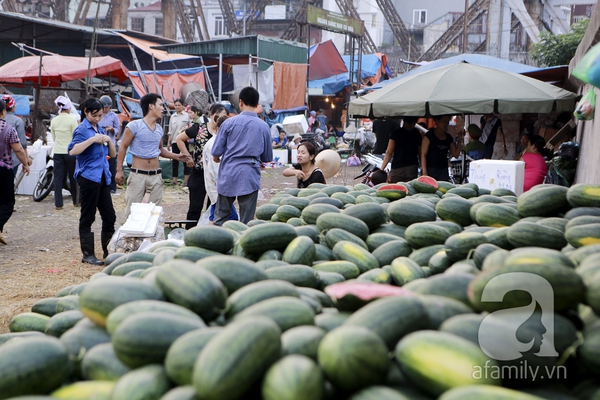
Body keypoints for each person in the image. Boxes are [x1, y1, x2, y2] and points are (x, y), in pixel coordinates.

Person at [115, 93, 190, 219]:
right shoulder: (134, 126)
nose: (162, 109)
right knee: (132, 213)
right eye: (160, 105)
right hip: (137, 175)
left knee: (155, 213)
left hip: (156, 176)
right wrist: (119, 170)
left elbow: (160, 150)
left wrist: (176, 156)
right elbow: (123, 147)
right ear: (151, 106)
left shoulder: (159, 129)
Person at [211, 86, 272, 225]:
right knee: (247, 221)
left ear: (240, 102)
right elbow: (267, 157)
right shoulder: (263, 126)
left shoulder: (228, 123)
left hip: (228, 172)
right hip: (249, 174)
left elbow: (215, 152)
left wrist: (218, 158)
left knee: (220, 217)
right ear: (257, 104)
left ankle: (215, 244)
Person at [68, 98, 116, 265]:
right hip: (88, 178)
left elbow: (113, 154)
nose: (97, 118)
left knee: (109, 216)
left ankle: (109, 251)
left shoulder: (100, 128)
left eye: (100, 115)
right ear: (86, 112)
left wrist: (109, 140)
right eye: (94, 115)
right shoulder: (82, 129)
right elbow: (73, 151)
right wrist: (92, 140)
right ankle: (88, 254)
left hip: (103, 177)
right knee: (88, 216)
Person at [175, 103, 213, 229]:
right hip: (199, 172)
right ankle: (190, 234)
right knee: (195, 207)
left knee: (213, 206)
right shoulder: (199, 127)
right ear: (212, 115)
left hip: (217, 174)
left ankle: (210, 234)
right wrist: (188, 157)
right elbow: (179, 139)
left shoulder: (226, 131)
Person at [0, 99, 30, 245]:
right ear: (3, 112)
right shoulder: (8, 128)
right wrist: (25, 163)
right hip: (4, 170)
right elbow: (18, 149)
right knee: (7, 202)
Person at [203, 111, 239, 224]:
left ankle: (210, 239)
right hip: (218, 189)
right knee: (230, 218)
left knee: (215, 216)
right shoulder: (215, 143)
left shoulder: (217, 142)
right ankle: (211, 240)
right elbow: (216, 171)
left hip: (217, 189)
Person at [50, 96, 79, 210]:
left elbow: (54, 136)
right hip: (70, 152)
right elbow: (76, 137)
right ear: (68, 108)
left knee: (58, 178)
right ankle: (76, 201)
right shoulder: (72, 120)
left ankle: (58, 204)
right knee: (73, 176)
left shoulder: (54, 120)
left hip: (57, 151)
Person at [421, 115, 463, 182]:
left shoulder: (448, 138)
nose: (446, 124)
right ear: (437, 121)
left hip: (443, 171)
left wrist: (459, 140)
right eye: (444, 121)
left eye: (447, 122)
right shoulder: (429, 136)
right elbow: (423, 155)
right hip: (430, 170)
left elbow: (456, 154)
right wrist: (425, 173)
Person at [381, 116, 421, 182]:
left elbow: (389, 152)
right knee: (410, 189)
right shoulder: (417, 133)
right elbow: (420, 153)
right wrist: (422, 166)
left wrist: (382, 168)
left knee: (394, 189)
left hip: (398, 168)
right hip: (412, 168)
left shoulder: (396, 133)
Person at [98, 95, 121, 194]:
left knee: (111, 165)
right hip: (100, 143)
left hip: (110, 143)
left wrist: (112, 129)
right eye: (104, 107)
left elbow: (118, 129)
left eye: (107, 107)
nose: (105, 109)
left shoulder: (114, 116)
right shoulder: (98, 115)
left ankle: (112, 186)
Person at [2, 95, 28, 177]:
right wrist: (26, 161)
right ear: (12, 107)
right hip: (11, 161)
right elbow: (22, 145)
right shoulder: (17, 121)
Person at [167, 99, 191, 186]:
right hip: (174, 140)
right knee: (175, 160)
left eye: (179, 105)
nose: (177, 107)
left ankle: (186, 180)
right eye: (175, 105)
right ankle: (174, 180)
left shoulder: (187, 116)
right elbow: (170, 131)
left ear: (183, 106)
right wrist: (169, 142)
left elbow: (190, 127)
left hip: (185, 140)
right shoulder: (172, 117)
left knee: (186, 159)